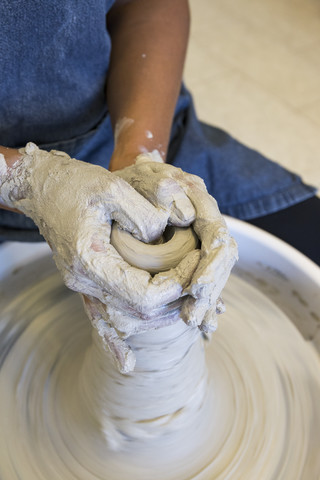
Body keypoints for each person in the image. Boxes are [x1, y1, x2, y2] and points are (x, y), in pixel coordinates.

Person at [0, 1, 318, 366]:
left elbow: (149, 6)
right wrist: (28, 179)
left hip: (126, 127)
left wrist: (140, 157)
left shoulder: (140, 157)